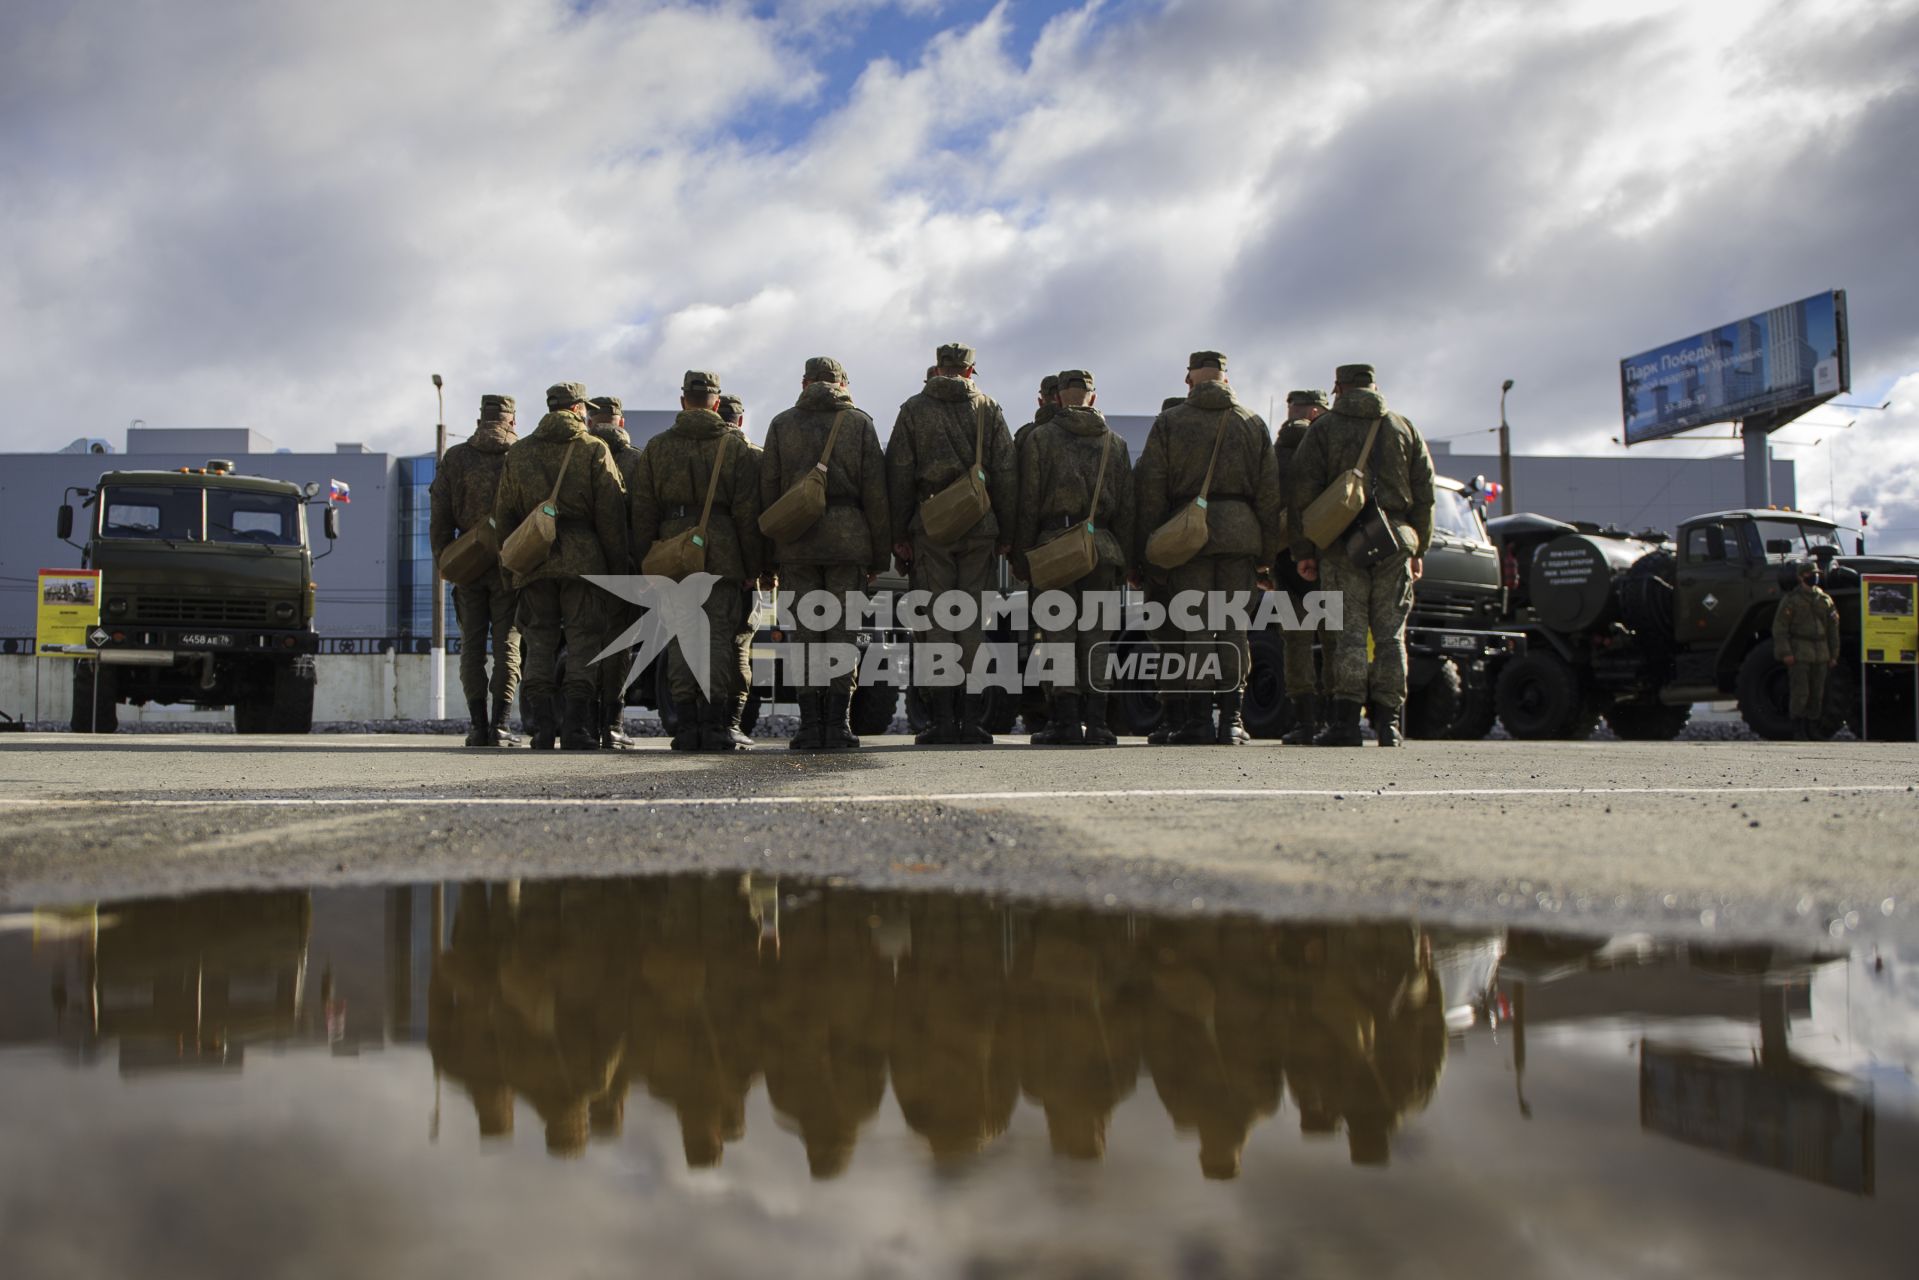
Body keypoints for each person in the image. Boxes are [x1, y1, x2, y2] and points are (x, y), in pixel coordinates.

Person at [1133, 351, 1283, 745]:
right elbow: (1269, 496)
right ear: (1226, 380)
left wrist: (1150, 553)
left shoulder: (1170, 422)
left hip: (1189, 538)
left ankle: (1197, 720)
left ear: (1189, 382)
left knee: (1195, 626)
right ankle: (1232, 719)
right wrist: (1267, 558)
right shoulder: (1252, 422)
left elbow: (1150, 491)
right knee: (1234, 627)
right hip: (1241, 537)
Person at [1291, 363, 1436, 747]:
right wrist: (1419, 547)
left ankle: (1346, 723)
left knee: (1349, 634)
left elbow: (1302, 492)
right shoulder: (1404, 427)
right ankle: (1388, 724)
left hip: (1343, 543)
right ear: (1374, 386)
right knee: (1391, 635)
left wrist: (1304, 550)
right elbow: (1425, 493)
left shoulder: (1324, 429)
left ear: (1337, 388)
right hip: (1396, 539)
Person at [885, 342, 1016, 744]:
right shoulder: (988, 409)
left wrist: (899, 535)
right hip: (979, 526)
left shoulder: (913, 409)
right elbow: (1007, 473)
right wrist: (1007, 535)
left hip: (931, 527)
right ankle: (971, 719)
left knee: (937, 622)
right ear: (971, 371)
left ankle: (941, 719)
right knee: (973, 622)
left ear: (939, 368)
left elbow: (899, 475)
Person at [760, 357, 891, 750]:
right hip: (848, 543)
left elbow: (767, 492)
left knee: (803, 637)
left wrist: (768, 558)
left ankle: (808, 725)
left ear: (805, 383)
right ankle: (837, 725)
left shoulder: (782, 424)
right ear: (843, 383)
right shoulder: (859, 424)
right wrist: (878, 558)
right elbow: (876, 496)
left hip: (796, 542)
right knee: (841, 636)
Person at [630, 371, 764, 751]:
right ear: (717, 404)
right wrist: (751, 567)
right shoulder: (734, 447)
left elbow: (643, 510)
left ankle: (687, 727)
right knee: (718, 640)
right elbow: (746, 513)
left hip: (672, 554)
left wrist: (647, 563)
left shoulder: (657, 447)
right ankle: (716, 725)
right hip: (721, 553)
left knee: (681, 639)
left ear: (683, 400)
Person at [492, 382, 629, 750]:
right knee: (584, 643)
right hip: (583, 562)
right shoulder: (592, 449)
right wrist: (619, 572)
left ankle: (542, 729)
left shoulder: (519, 453)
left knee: (538, 644)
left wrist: (512, 566)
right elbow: (611, 517)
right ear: (579, 409)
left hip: (534, 560)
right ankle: (575, 728)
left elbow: (503, 515)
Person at [1013, 369, 1134, 745]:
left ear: (1059, 397)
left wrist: (1023, 556)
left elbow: (1029, 503)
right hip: (1103, 549)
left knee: (1058, 636)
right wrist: (1127, 560)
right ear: (1093, 398)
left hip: (1055, 547)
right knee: (1098, 637)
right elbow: (1127, 508)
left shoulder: (1040, 439)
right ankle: (1098, 723)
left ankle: (1065, 721)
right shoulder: (1116, 443)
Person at [429, 393, 522, 747]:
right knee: (507, 647)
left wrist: (446, 561)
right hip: (509, 565)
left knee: (471, 646)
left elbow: (439, 520)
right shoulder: (520, 455)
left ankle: (477, 726)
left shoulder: (456, 458)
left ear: (480, 419)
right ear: (512, 420)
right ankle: (500, 725)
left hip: (468, 565)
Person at [1274, 389, 1333, 744]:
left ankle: (1304, 721)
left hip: (1285, 560)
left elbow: (1265, 504)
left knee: (1294, 641)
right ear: (1315, 412)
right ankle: (1335, 719)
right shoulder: (1329, 449)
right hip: (1327, 556)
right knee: (1333, 640)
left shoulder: (1275, 452)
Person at [586, 395, 642, 749]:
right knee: (619, 647)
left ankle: (585, 724)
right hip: (625, 565)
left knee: (584, 642)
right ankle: (614, 724)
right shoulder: (638, 460)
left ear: (592, 423)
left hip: (584, 563)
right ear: (620, 422)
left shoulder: (579, 455)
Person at [1773, 558, 1841, 739]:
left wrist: (1834, 654)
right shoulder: (1791, 600)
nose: (1814, 578)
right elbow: (1780, 628)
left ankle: (1812, 728)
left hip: (1821, 651)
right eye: (1810, 575)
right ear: (1801, 577)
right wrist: (1786, 652)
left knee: (1817, 692)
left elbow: (1833, 629)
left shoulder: (1825, 600)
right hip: (1800, 650)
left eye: (1816, 575)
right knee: (1800, 691)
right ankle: (1798, 728)